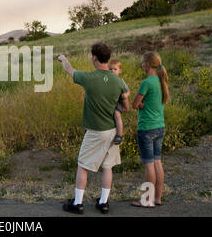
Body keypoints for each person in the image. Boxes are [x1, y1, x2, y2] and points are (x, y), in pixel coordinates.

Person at [58, 43, 130, 215]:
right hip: (112, 130)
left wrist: (63, 59)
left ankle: (77, 203)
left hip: (95, 132)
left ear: (95, 57)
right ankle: (104, 203)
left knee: (83, 165)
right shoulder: (118, 81)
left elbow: (70, 70)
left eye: (92, 55)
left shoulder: (89, 78)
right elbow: (126, 108)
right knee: (107, 167)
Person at [131, 51, 170, 208]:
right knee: (157, 163)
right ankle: (157, 198)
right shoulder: (161, 81)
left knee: (148, 165)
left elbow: (134, 104)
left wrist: (140, 105)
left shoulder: (146, 83)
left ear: (147, 64)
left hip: (147, 129)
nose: (142, 65)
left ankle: (147, 200)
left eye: (142, 62)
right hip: (160, 127)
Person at [108, 59, 130, 145]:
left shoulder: (121, 81)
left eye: (115, 69)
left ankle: (120, 134)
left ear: (120, 71)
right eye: (110, 69)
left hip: (118, 103)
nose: (112, 71)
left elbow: (128, 91)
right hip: (111, 103)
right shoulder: (107, 80)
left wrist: (126, 95)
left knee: (117, 115)